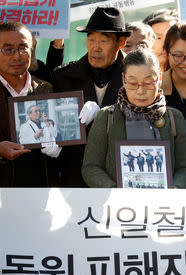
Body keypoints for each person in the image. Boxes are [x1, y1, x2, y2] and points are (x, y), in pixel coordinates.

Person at [82, 48, 186, 188]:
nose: (140, 91)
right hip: (117, 206)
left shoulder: (174, 118)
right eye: (133, 83)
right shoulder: (106, 117)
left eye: (148, 83)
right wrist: (114, 190)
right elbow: (91, 167)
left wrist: (174, 189)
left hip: (163, 205)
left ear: (159, 79)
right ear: (123, 80)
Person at [53, 7, 131, 186]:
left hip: (120, 174)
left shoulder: (136, 76)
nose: (96, 47)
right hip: (74, 177)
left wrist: (105, 113)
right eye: (91, 39)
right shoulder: (64, 76)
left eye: (103, 40)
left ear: (121, 42)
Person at [0, 21, 59, 187]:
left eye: (23, 47)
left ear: (32, 50)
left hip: (42, 192)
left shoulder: (46, 89)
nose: (17, 56)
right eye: (8, 49)